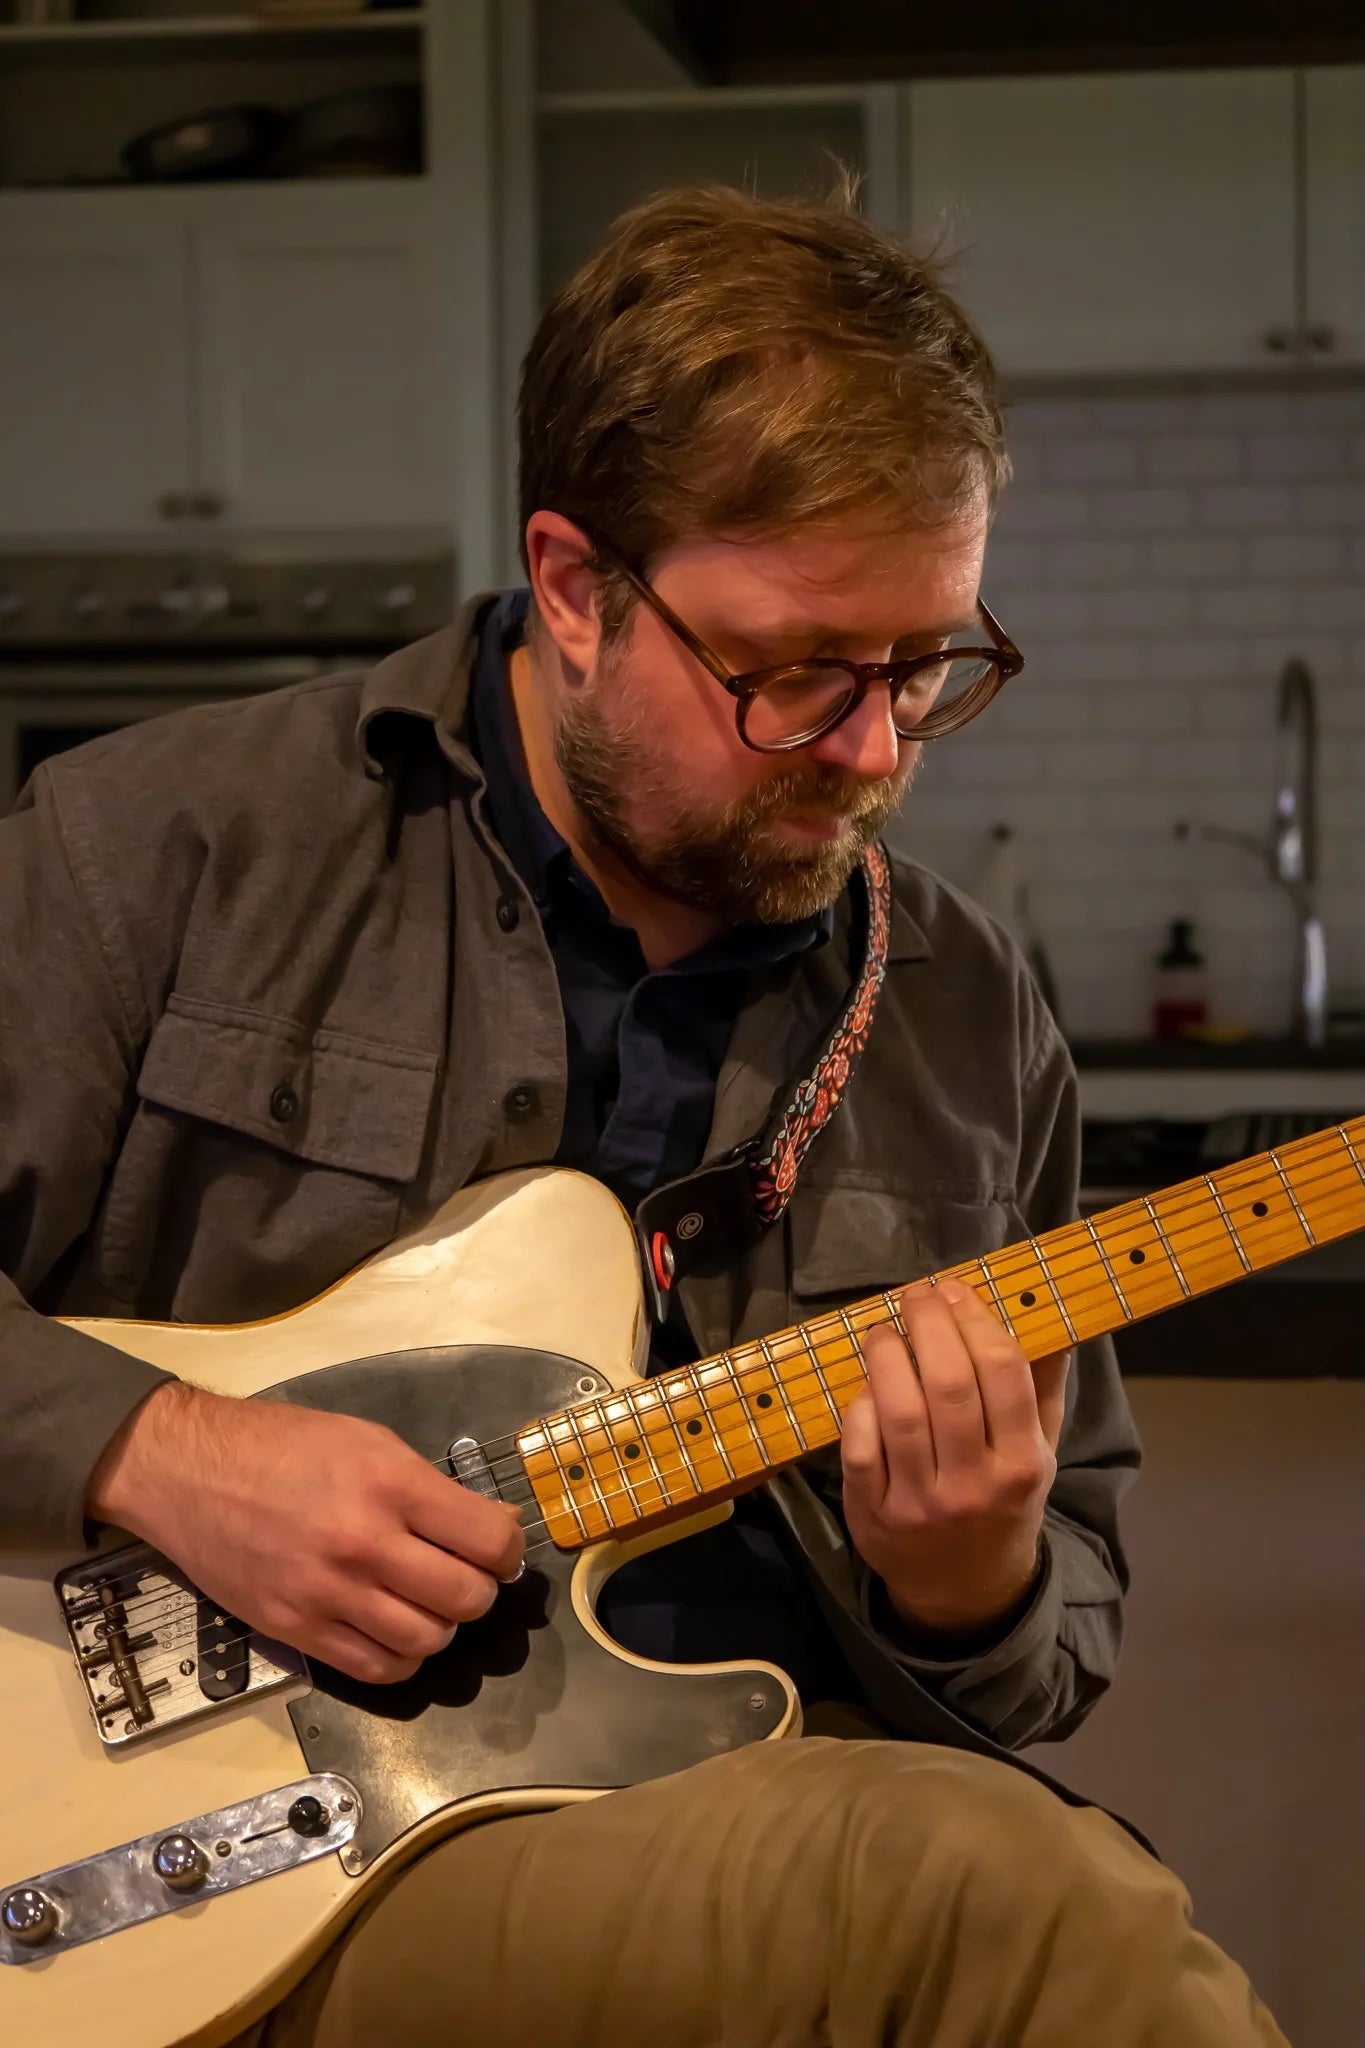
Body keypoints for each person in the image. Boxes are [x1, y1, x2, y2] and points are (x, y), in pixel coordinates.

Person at [0, 186, 1286, 2047]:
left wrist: (966, 1580)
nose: (872, 750)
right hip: (238, 1855)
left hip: (733, 1801)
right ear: (574, 587)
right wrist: (159, 1451)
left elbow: (1042, 1658)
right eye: (794, 671)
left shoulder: (960, 1010)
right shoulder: (163, 852)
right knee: (1010, 1899)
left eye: (924, 666)